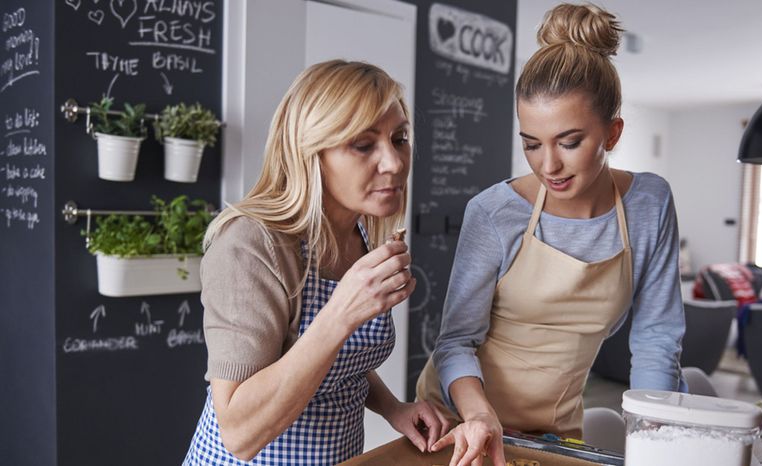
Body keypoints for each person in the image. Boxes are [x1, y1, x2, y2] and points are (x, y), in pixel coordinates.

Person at [416, 3, 687, 465]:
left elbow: (656, 338)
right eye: (531, 144)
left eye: (569, 141)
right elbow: (456, 342)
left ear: (613, 133)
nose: (548, 165)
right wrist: (481, 417)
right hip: (460, 425)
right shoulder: (494, 213)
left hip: (556, 432)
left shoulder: (649, 204)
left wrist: (654, 440)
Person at [184, 60, 449, 465]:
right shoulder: (251, 245)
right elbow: (238, 432)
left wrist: (394, 408)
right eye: (363, 145)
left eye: (399, 138)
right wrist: (342, 312)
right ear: (310, 151)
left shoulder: (360, 233)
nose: (394, 163)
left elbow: (338, 364)